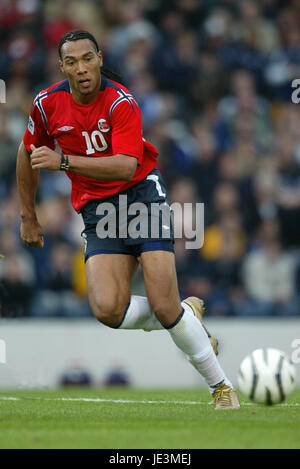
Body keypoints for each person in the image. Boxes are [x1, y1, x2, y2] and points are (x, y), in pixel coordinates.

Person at [16, 29, 240, 409]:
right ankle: (188, 316)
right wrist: (28, 216)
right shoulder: (46, 104)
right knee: (107, 309)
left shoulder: (122, 103)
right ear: (62, 67)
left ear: (100, 58)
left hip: (141, 199)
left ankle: (220, 386)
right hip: (98, 210)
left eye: (88, 58)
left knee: (164, 306)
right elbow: (27, 152)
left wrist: (64, 161)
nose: (82, 68)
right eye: (72, 62)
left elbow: (124, 166)